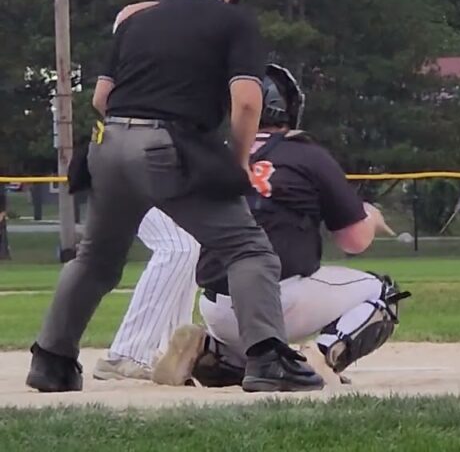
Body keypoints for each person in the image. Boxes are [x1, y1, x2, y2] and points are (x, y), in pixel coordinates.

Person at [27, 0, 324, 393]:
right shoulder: (235, 22)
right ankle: (267, 359)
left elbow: (101, 99)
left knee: (96, 260)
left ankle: (51, 360)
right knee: (249, 250)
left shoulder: (136, 23)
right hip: (168, 147)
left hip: (106, 147)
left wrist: (136, 131)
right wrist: (235, 162)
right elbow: (247, 103)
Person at [151, 64, 406, 388]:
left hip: (216, 304)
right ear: (290, 107)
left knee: (263, 352)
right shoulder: (305, 154)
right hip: (281, 299)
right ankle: (323, 355)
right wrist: (370, 215)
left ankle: (208, 348)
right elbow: (353, 242)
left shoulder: (216, 156)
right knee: (383, 293)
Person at [92, 0, 202, 382]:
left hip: (160, 162)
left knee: (190, 244)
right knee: (177, 246)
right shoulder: (138, 21)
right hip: (133, 158)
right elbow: (131, 14)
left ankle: (168, 351)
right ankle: (126, 353)